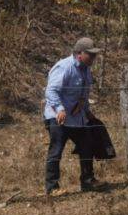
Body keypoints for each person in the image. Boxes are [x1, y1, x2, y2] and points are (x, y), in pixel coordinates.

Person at [43, 37, 106, 195]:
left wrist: (86, 110)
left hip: (77, 118)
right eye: (90, 55)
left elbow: (83, 93)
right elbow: (51, 91)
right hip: (59, 117)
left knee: (87, 146)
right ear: (79, 54)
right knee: (56, 150)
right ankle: (52, 188)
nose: (93, 58)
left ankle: (87, 180)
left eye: (94, 55)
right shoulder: (64, 67)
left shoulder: (86, 69)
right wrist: (59, 109)